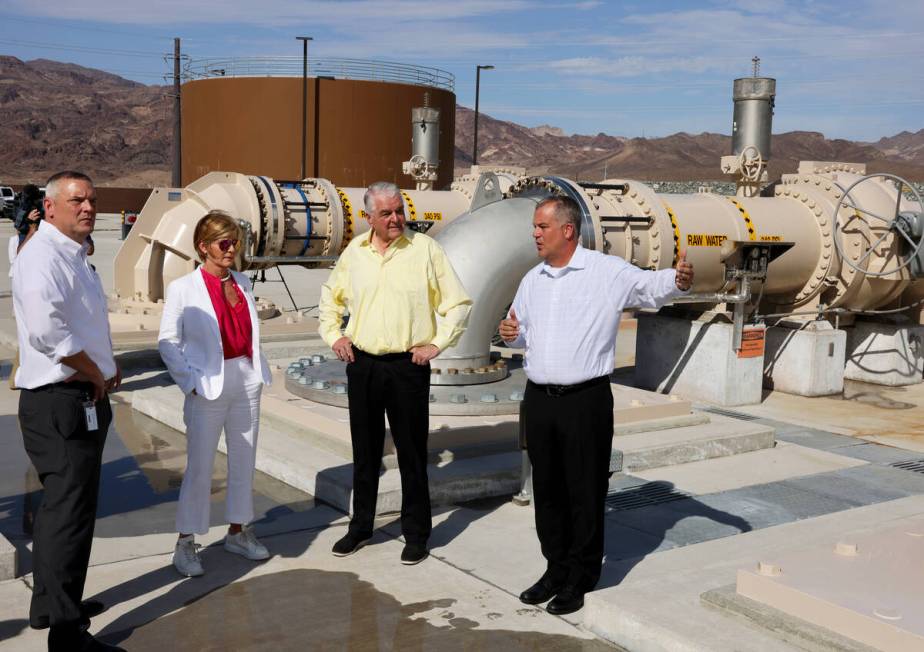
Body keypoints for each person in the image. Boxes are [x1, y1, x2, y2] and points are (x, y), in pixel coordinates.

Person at [499, 196, 694, 615]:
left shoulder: (605, 271)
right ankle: (554, 568)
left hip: (584, 401)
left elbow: (650, 286)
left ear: (567, 230)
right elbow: (518, 335)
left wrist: (677, 281)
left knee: (585, 490)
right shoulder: (532, 279)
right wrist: (509, 332)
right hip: (540, 400)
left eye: (541, 226)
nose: (535, 233)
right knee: (547, 491)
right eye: (535, 227)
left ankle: (581, 577)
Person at [319, 181, 472, 565]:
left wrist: (437, 344)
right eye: (386, 213)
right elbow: (329, 299)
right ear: (369, 217)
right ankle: (361, 527)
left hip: (408, 368)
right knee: (365, 452)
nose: (395, 219)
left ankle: (416, 534)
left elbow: (458, 303)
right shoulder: (355, 253)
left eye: (399, 210)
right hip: (363, 365)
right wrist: (335, 336)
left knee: (411, 454)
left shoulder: (425, 251)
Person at [13, 171, 124, 652]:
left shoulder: (74, 256)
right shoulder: (40, 257)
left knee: (72, 511)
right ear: (50, 207)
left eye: (92, 200)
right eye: (76, 200)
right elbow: (50, 335)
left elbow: (84, 322)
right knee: (67, 516)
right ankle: (65, 632)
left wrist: (106, 365)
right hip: (59, 403)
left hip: (82, 396)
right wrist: (95, 372)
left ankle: (57, 604)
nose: (88, 208)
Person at [158, 210, 273, 577]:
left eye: (236, 242)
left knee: (244, 459)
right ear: (202, 246)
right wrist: (190, 382)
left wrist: (254, 372)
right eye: (224, 243)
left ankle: (239, 530)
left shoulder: (242, 282)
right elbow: (167, 340)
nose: (231, 249)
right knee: (200, 467)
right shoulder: (183, 289)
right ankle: (185, 542)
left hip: (246, 378)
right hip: (208, 382)